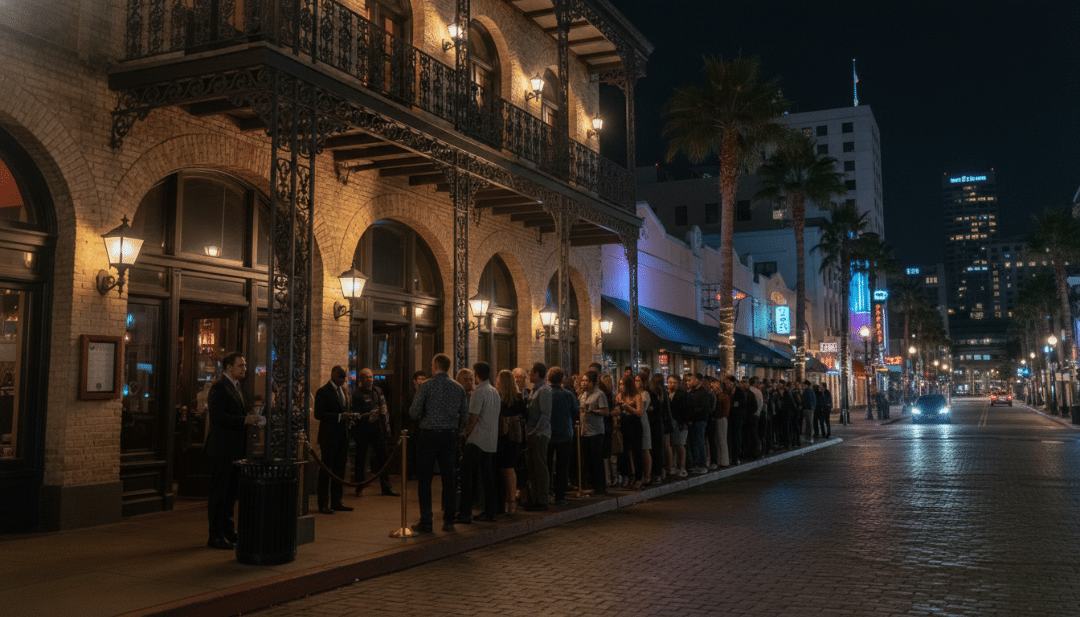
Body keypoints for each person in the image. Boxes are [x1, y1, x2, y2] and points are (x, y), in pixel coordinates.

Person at [204, 352, 260, 550]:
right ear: (229, 367)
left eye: (244, 365)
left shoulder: (237, 387)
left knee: (230, 494)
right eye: (241, 365)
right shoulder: (220, 387)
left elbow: (236, 413)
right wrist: (244, 420)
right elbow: (218, 417)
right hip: (222, 449)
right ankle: (215, 535)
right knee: (219, 494)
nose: (245, 369)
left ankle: (228, 531)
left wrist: (250, 418)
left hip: (236, 449)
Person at [409, 353, 469, 533]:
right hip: (449, 436)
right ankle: (449, 520)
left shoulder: (425, 386)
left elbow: (414, 412)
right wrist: (456, 429)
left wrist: (425, 417)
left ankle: (426, 521)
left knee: (425, 479)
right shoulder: (458, 388)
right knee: (449, 479)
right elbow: (464, 416)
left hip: (429, 435)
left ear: (435, 366)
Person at [457, 362, 501, 523]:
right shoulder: (494, 392)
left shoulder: (479, 392)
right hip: (491, 439)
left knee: (466, 474)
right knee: (487, 475)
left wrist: (464, 433)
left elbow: (473, 418)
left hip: (476, 439)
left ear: (476, 375)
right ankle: (490, 511)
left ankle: (465, 512)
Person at [314, 365, 360, 515]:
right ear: (333, 374)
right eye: (341, 377)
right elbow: (318, 414)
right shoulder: (323, 391)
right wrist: (339, 417)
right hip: (329, 436)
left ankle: (337, 500)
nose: (343, 380)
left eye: (344, 377)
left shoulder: (344, 391)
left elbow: (345, 408)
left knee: (339, 469)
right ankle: (323, 503)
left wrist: (350, 416)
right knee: (326, 469)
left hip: (342, 435)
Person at [352, 368, 398, 497]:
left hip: (377, 428)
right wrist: (369, 413)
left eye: (371, 377)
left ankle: (386, 486)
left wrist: (383, 413)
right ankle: (359, 485)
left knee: (383, 456)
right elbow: (355, 413)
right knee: (360, 457)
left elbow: (383, 406)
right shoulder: (356, 394)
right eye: (366, 377)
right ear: (361, 379)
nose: (369, 379)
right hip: (363, 429)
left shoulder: (378, 391)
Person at [495, 369, 527, 516]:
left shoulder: (500, 398)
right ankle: (510, 502)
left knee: (506, 469)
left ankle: (508, 502)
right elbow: (524, 416)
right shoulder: (517, 397)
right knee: (509, 469)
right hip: (513, 438)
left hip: (504, 437)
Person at [547, 366, 579, 505]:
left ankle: (547, 493)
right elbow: (576, 411)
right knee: (562, 466)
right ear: (562, 379)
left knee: (547, 465)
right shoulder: (568, 395)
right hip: (565, 433)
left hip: (548, 433)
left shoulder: (545, 393)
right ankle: (560, 496)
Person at [523, 362, 552, 511]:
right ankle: (535, 498)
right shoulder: (536, 390)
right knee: (533, 467)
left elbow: (545, 414)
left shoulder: (544, 391)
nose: (529, 376)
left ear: (537, 374)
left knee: (540, 467)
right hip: (533, 432)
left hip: (539, 434)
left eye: (531, 373)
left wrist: (536, 431)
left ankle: (542, 500)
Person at [579, 370, 608, 495]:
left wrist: (593, 411)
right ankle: (591, 484)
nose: (583, 383)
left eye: (586, 381)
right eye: (583, 380)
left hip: (596, 432)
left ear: (593, 382)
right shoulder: (583, 395)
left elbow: (605, 411)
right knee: (588, 460)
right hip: (584, 431)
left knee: (597, 460)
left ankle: (600, 486)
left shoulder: (599, 394)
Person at [686, 373, 713, 473]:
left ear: (698, 381)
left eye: (692, 380)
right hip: (694, 420)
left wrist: (693, 411)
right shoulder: (692, 392)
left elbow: (705, 408)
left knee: (700, 442)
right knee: (694, 443)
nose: (690, 382)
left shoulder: (703, 392)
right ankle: (696, 463)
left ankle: (702, 464)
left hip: (700, 421)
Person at [667, 375, 690, 476]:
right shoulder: (667, 394)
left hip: (680, 422)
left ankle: (682, 467)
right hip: (671, 422)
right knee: (673, 445)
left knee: (680, 445)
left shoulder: (683, 394)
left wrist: (685, 423)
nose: (671, 384)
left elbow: (687, 409)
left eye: (673, 383)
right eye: (669, 382)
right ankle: (674, 465)